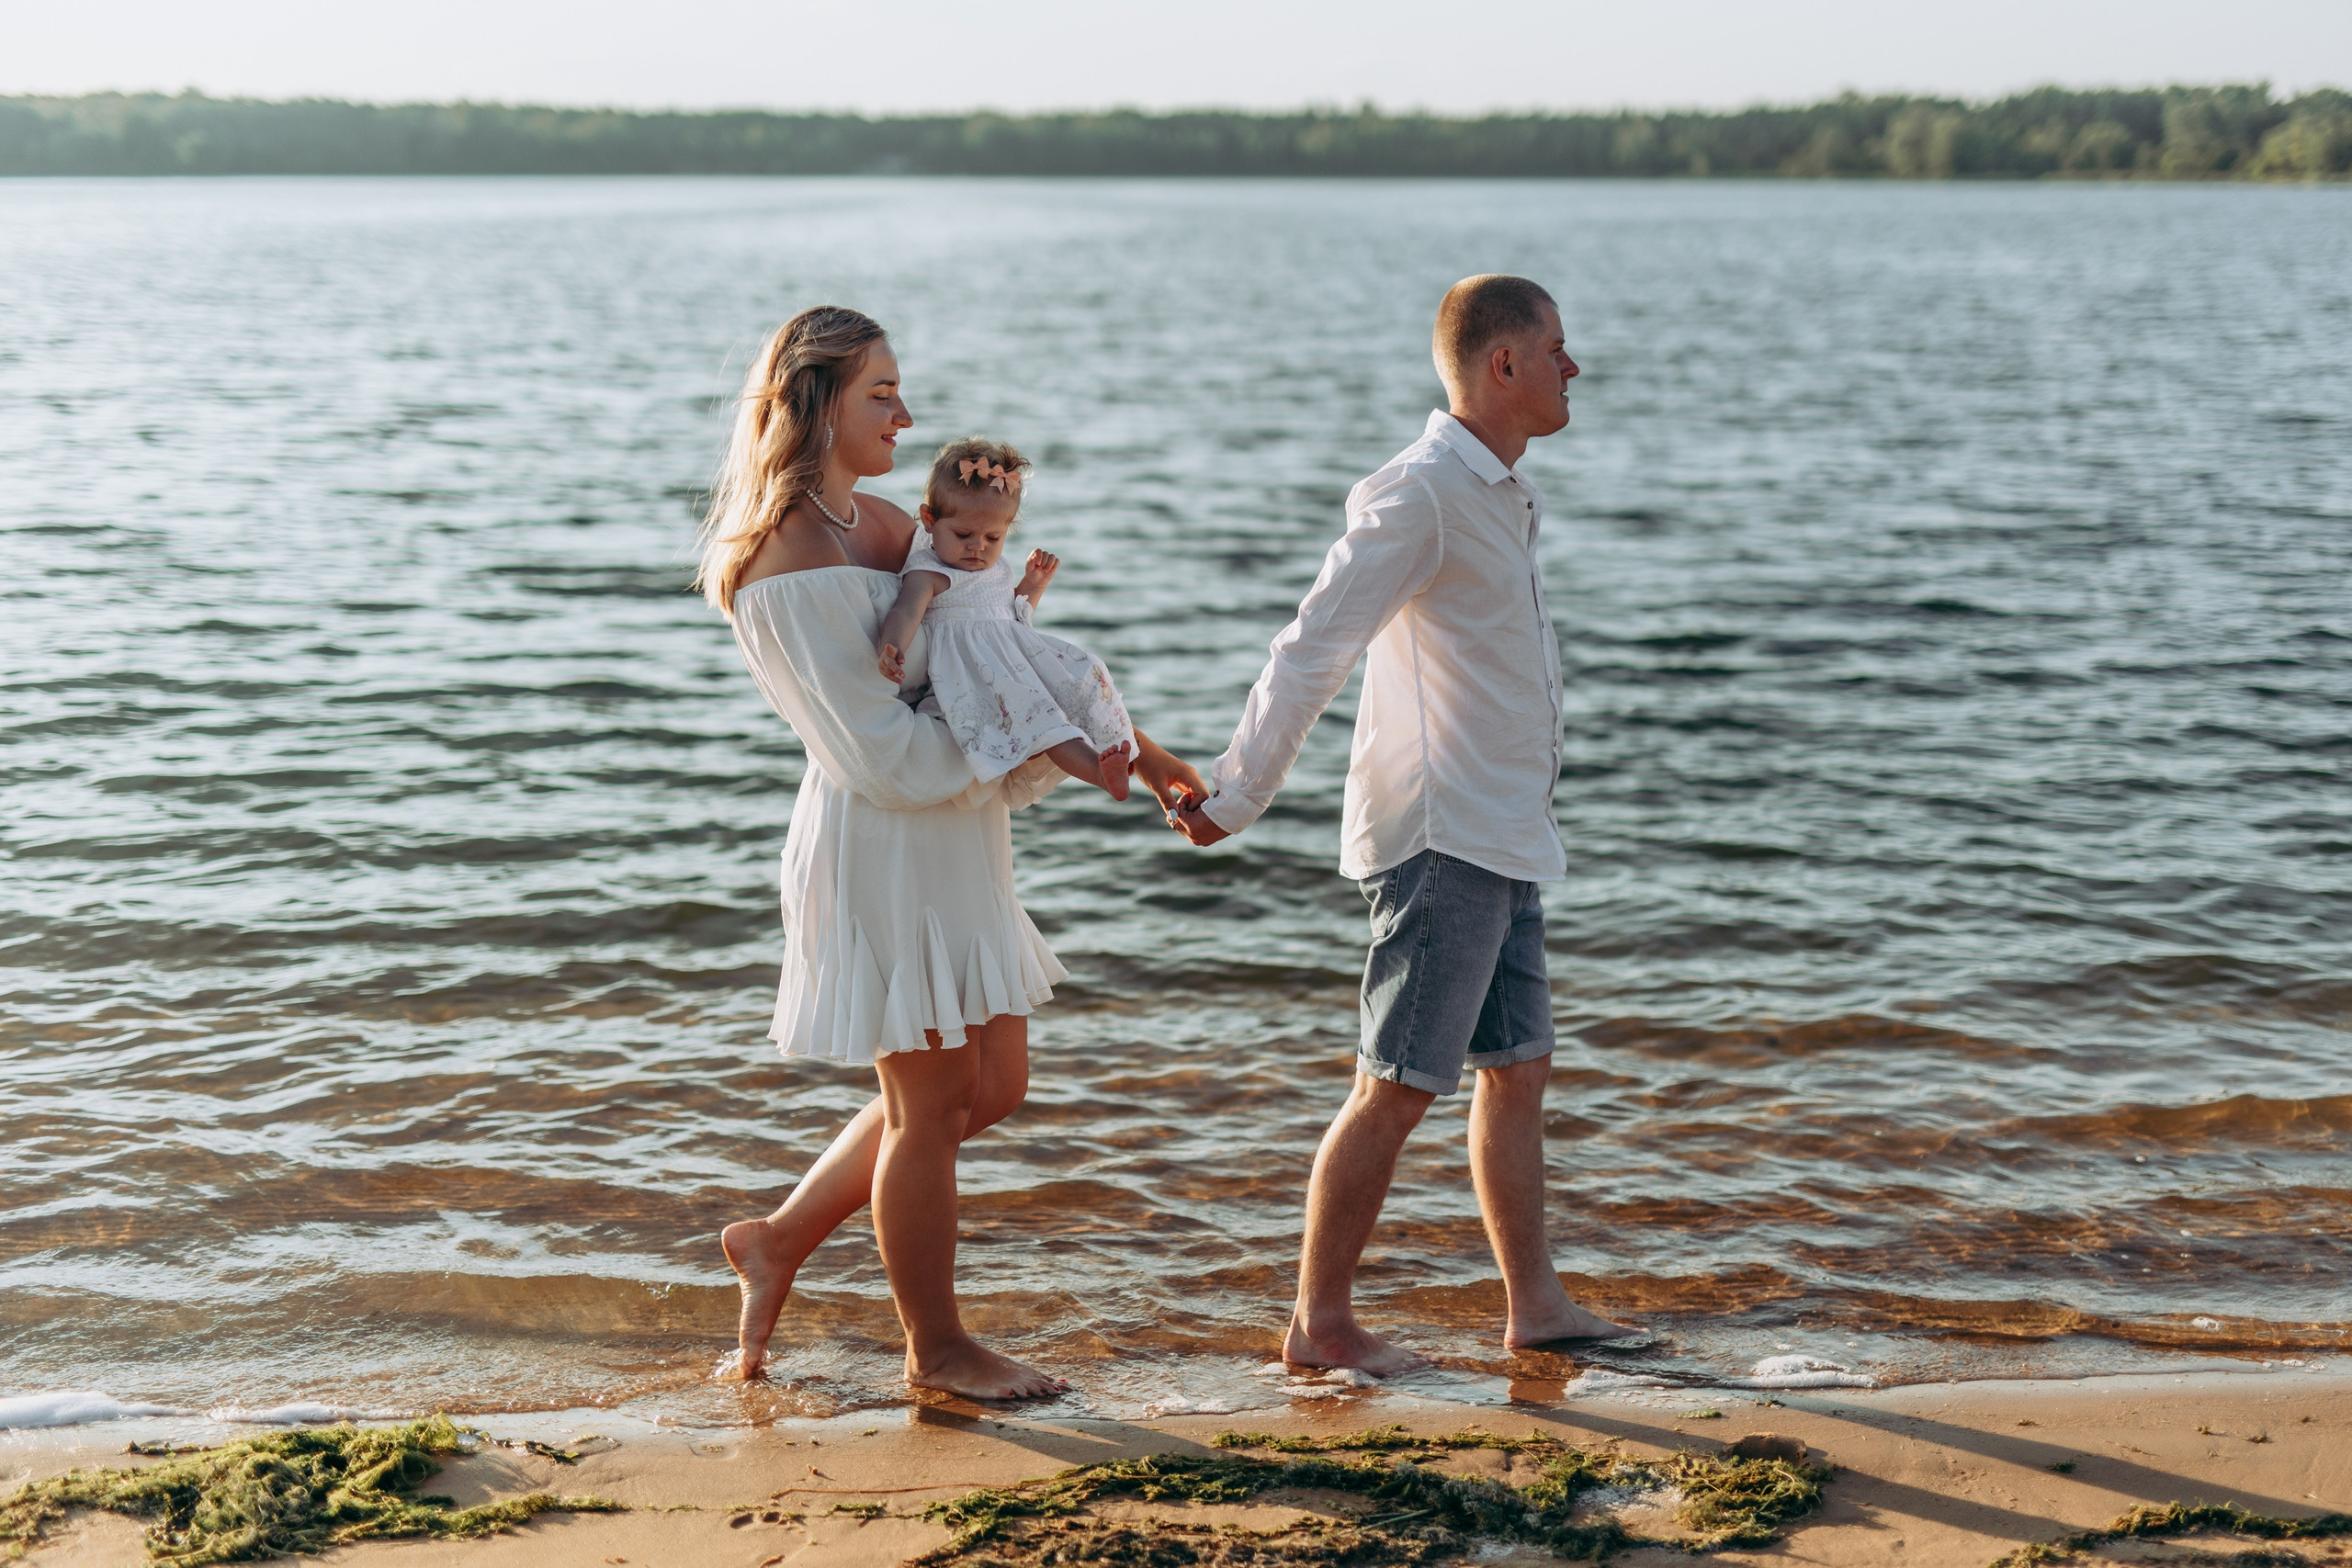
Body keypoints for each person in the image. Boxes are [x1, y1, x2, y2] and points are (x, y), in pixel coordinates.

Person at [700, 305, 1204, 1399]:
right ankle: (939, 1351)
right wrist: (1010, 743)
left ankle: (779, 1239)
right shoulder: (782, 552)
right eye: (882, 393)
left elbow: (1007, 661)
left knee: (992, 1085)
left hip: (956, 837)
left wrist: (1151, 761)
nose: (906, 413)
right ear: (817, 399)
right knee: (928, 1108)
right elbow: (879, 753)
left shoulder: (881, 526)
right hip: (882, 839)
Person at [1172, 275, 1634, 1373]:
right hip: (1441, 839)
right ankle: (1319, 1326)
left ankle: (1535, 1304)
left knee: (1518, 1068)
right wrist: (1237, 793)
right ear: (1503, 365)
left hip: (1504, 833)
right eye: (1557, 349)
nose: (1575, 367)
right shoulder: (1419, 490)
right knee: (1394, 1083)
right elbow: (1310, 645)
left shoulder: (1500, 491)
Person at [876, 437, 1136, 800]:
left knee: (1085, 673)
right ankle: (1097, 771)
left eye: (993, 537)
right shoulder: (929, 571)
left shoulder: (994, 567)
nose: (977, 547)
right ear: (929, 520)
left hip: (1013, 663)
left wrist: (1033, 584)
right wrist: (892, 646)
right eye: (963, 534)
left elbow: (1011, 617)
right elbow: (906, 610)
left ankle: (1109, 753)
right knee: (1043, 722)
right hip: (979, 674)